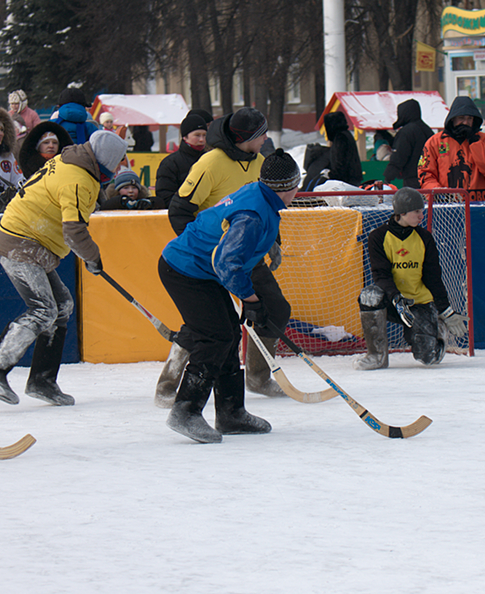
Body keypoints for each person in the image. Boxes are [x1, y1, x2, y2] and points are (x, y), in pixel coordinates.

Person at [0, 130, 128, 406]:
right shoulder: (79, 179)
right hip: (21, 241)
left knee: (62, 305)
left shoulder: (72, 160)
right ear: (106, 163)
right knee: (44, 310)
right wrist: (93, 258)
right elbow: (74, 231)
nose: (117, 170)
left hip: (34, 242)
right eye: (117, 164)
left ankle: (42, 381)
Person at [158, 149, 301, 443]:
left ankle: (231, 413)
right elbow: (226, 263)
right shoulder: (253, 215)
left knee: (229, 335)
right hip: (184, 270)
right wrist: (251, 300)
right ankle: (185, 411)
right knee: (216, 337)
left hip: (201, 271)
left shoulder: (260, 195)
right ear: (290, 188)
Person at [354, 187, 469, 370]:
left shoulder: (424, 238)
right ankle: (376, 356)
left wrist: (445, 310)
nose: (421, 215)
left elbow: (433, 278)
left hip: (418, 302)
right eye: (417, 211)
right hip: (394, 300)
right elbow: (381, 275)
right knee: (369, 296)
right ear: (402, 212)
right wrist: (397, 298)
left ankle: (437, 330)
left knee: (428, 359)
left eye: (422, 211)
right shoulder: (378, 237)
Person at [418, 96, 485, 202]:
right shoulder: (434, 142)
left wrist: (475, 142)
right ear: (453, 119)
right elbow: (425, 173)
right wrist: (438, 191)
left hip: (477, 204)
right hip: (444, 206)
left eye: (469, 119)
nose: (465, 123)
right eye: (461, 118)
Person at [154, 113, 208, 209]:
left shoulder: (209, 159)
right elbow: (164, 195)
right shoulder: (170, 163)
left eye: (204, 135)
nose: (202, 140)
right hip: (183, 215)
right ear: (185, 137)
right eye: (197, 135)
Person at [300, 112, 362, 190]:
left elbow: (339, 161)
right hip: (351, 179)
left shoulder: (340, 138)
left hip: (344, 181)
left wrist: (331, 174)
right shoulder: (346, 135)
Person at [383, 99, 434, 189]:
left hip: (412, 179)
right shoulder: (427, 130)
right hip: (430, 177)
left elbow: (399, 156)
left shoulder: (406, 132)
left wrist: (388, 176)